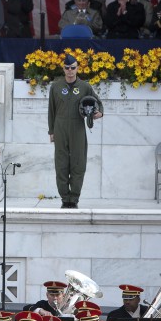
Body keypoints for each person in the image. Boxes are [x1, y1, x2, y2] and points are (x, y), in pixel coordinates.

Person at [48, 54, 103, 208]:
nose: (70, 71)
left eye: (73, 67)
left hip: (78, 128)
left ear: (78, 68)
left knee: (78, 163)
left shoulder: (85, 87)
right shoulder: (56, 87)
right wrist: (51, 131)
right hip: (60, 127)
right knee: (61, 164)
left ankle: (74, 199)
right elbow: (51, 110)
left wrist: (100, 113)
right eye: (67, 68)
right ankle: (65, 199)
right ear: (63, 69)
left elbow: (98, 103)